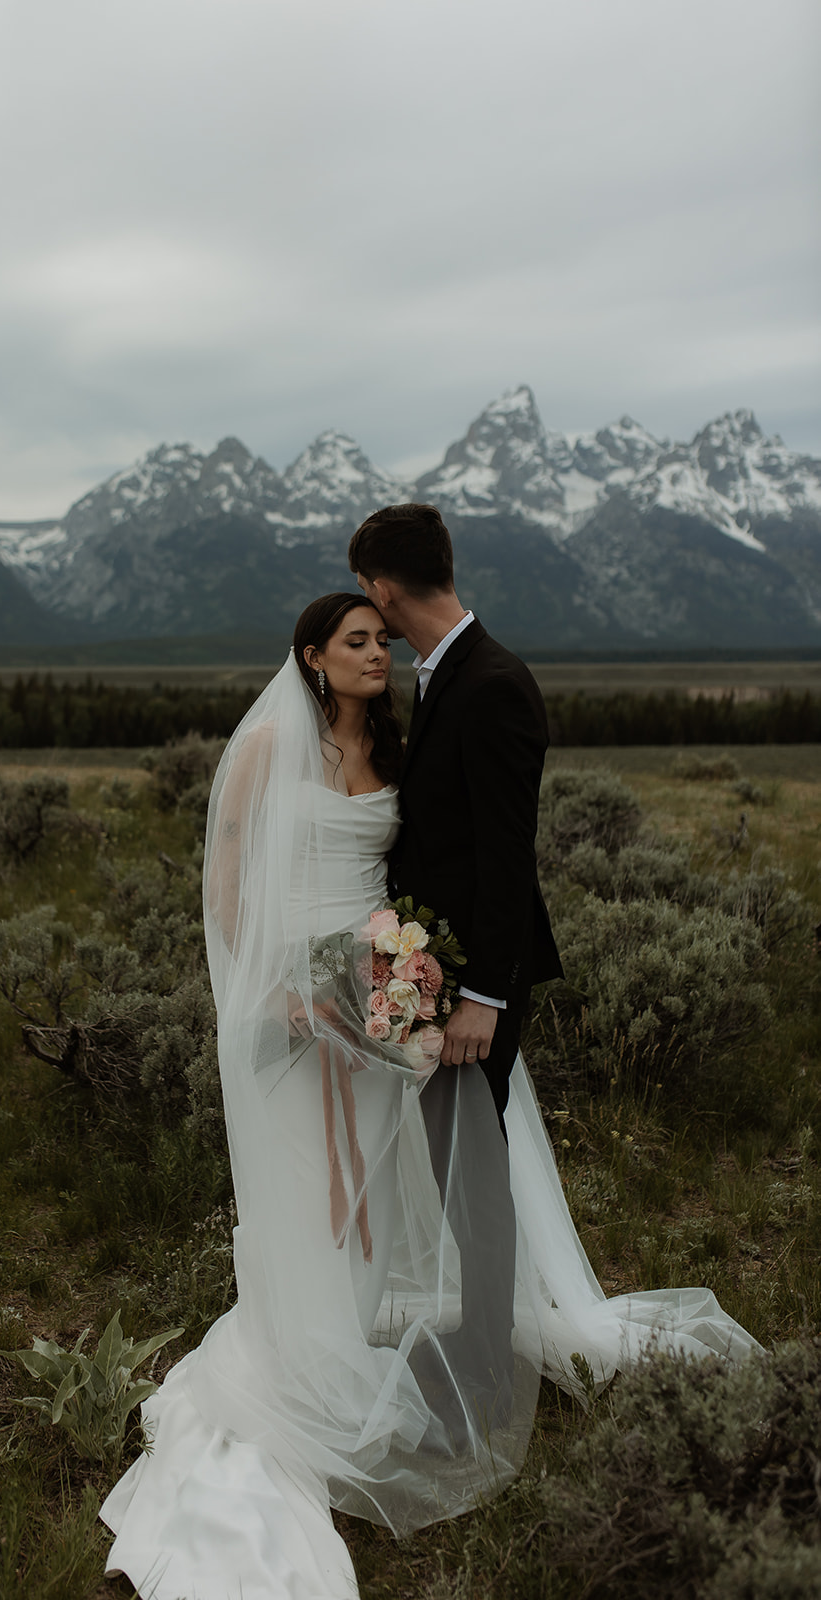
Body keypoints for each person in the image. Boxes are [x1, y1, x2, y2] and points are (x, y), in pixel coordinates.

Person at [99, 591, 758, 1600]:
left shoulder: (396, 749)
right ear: (312, 656)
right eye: (356, 642)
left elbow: (411, 869)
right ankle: (312, 1354)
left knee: (384, 1174)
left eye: (379, 637)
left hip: (379, 984)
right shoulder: (274, 740)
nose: (377, 652)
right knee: (314, 1175)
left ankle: (385, 1342)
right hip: (292, 995)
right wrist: (274, 985)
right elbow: (229, 877)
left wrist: (401, 972)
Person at [348, 501, 564, 1424]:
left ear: (382, 587)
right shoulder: (447, 675)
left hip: (474, 988)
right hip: (438, 975)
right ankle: (480, 1342)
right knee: (456, 1171)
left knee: (471, 1178)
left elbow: (508, 857)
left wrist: (477, 998)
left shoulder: (493, 683)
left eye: (368, 595)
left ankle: (483, 1366)